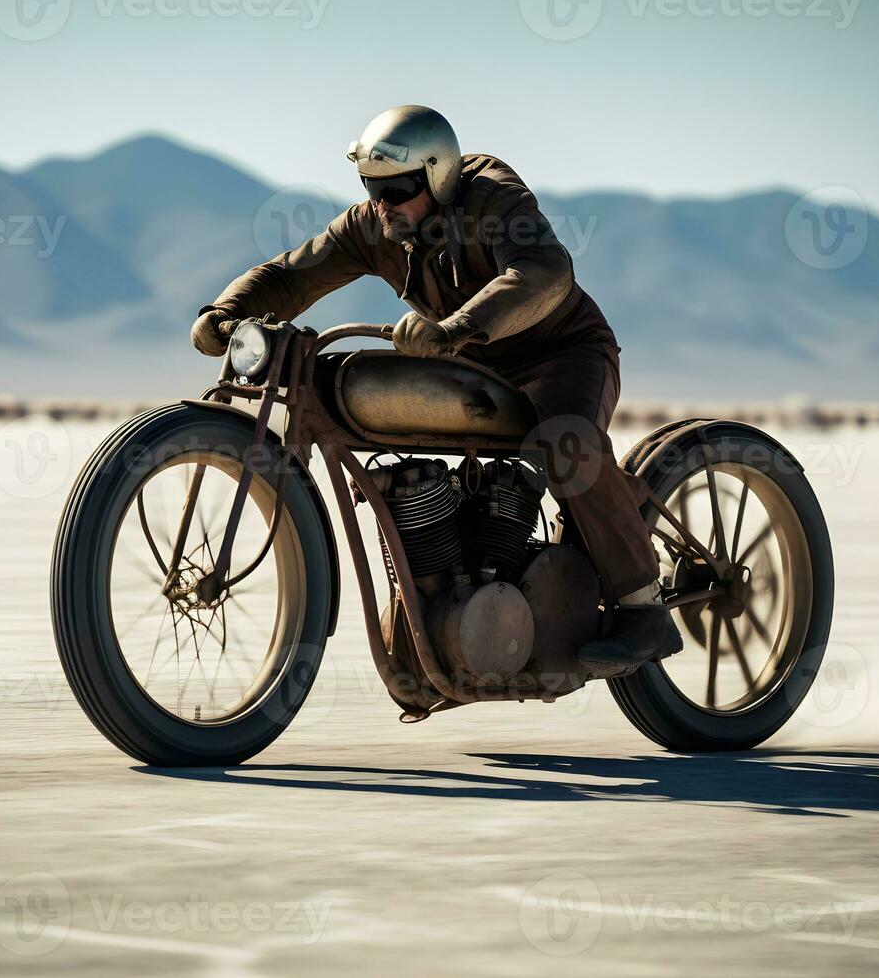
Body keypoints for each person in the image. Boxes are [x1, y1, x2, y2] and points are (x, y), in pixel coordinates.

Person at [190, 105, 681, 677]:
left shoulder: (493, 197)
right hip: (471, 364)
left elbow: (544, 272)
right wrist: (226, 310)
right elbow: (292, 274)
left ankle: (643, 608)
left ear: (437, 175)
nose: (383, 204)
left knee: (564, 444)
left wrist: (454, 329)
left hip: (560, 353)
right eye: (372, 188)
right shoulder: (372, 227)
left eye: (397, 189)